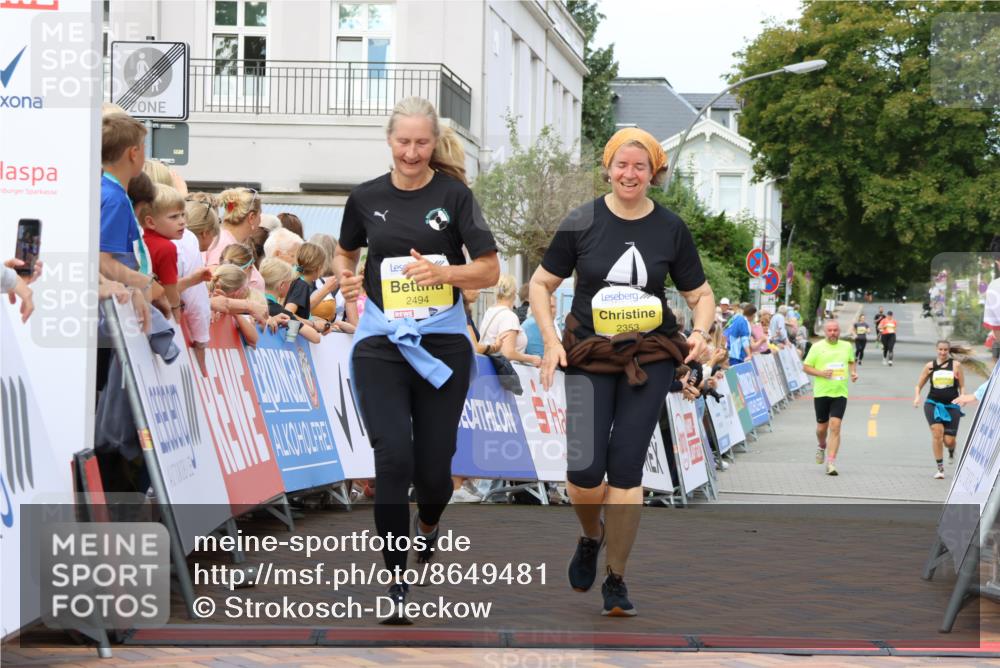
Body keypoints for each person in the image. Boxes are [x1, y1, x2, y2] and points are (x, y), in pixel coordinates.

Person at [528, 127, 715, 617]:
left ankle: (616, 579)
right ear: (608, 168)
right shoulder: (581, 220)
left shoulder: (671, 228)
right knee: (585, 469)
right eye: (622, 165)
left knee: (627, 467)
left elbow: (701, 295)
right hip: (589, 355)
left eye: (640, 167)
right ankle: (591, 536)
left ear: (654, 173)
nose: (630, 174)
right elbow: (541, 284)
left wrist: (699, 330)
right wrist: (550, 341)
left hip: (649, 357)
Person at [333, 97, 500, 624]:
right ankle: (396, 582)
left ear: (434, 143)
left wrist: (444, 275)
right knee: (392, 459)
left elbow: (490, 271)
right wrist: (348, 281)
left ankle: (428, 525)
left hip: (443, 345)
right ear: (389, 141)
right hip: (381, 343)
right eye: (403, 141)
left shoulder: (455, 197)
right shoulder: (364, 198)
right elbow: (346, 251)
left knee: (433, 469)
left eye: (421, 142)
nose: (411, 151)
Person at [141, 184, 212, 323]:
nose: (182, 222)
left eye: (182, 215)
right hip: (158, 316)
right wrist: (176, 308)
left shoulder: (142, 240)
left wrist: (192, 279)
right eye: (174, 217)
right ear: (150, 222)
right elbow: (169, 289)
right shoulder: (167, 248)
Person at [803, 319, 858, 476]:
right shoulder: (817, 347)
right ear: (825, 332)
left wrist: (853, 373)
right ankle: (821, 445)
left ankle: (831, 462)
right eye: (830, 330)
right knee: (822, 428)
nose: (833, 333)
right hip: (821, 392)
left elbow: (851, 361)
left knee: (836, 426)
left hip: (840, 392)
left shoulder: (846, 346)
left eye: (835, 330)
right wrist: (821, 373)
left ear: (839, 331)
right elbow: (806, 367)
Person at [913, 341, 967, 478]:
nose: (943, 352)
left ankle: (951, 449)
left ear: (948, 350)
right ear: (936, 350)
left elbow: (962, 386)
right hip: (933, 404)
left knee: (949, 441)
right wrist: (917, 397)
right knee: (937, 434)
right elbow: (919, 385)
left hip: (952, 405)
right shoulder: (930, 366)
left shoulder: (956, 366)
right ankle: (940, 469)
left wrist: (963, 397)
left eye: (945, 350)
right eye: (940, 350)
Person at [205, 187, 265, 293]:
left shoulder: (227, 240)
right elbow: (212, 282)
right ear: (251, 217)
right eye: (259, 215)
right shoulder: (223, 243)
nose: (260, 221)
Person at [479, 275, 542, 367]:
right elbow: (508, 353)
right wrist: (532, 358)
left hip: (489, 367)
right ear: (514, 294)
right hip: (505, 372)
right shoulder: (509, 316)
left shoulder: (490, 311)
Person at [259, 257, 321, 343]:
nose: (291, 286)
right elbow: (316, 338)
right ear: (282, 285)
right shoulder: (282, 314)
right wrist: (293, 323)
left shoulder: (250, 304)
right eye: (290, 283)